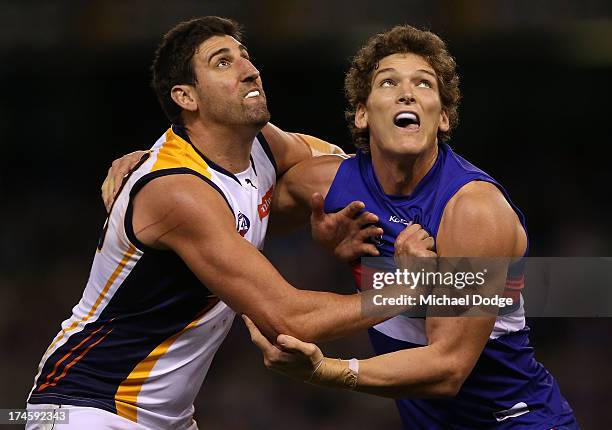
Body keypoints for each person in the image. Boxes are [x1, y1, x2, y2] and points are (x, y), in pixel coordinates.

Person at [26, 17, 428, 430]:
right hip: (88, 405)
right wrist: (410, 288)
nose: (249, 69)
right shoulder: (176, 191)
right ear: (186, 96)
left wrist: (321, 217)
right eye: (222, 62)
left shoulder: (262, 147)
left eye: (245, 57)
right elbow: (290, 319)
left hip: (169, 419)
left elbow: (340, 168)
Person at [240, 25, 580, 429]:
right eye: (388, 82)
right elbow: (249, 222)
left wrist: (323, 370)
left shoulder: (473, 210)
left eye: (424, 83)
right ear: (362, 114)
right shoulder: (329, 187)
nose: (408, 93)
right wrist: (320, 240)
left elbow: (447, 368)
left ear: (444, 118)